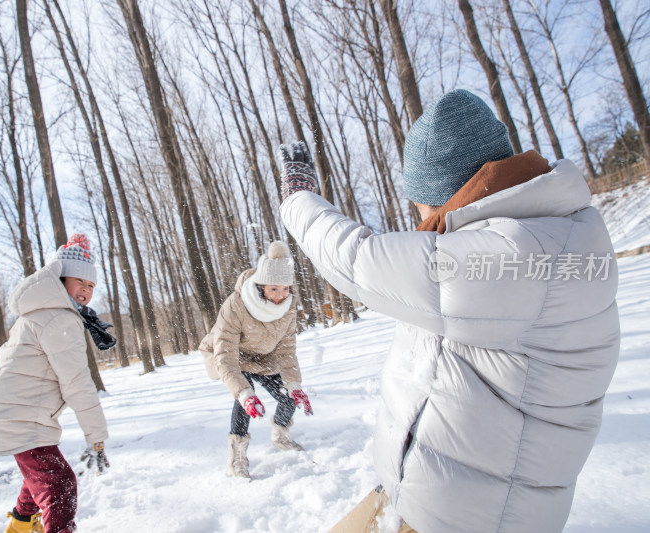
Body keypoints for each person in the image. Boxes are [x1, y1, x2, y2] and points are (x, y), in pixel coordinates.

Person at [278, 89, 620, 532]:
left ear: (448, 193)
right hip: (430, 495)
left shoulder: (516, 254)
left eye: (420, 204)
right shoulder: (546, 234)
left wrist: (297, 198)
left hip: (463, 518)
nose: (419, 218)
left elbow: (359, 260)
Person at [0, 233, 116, 533]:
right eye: (80, 282)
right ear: (60, 279)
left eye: (91, 286)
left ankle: (19, 527)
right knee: (58, 484)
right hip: (19, 416)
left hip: (14, 413)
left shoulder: (41, 312)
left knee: (38, 480)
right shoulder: (59, 318)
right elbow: (77, 383)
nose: (85, 291)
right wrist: (96, 436)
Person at [199, 240, 314, 479]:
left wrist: (295, 385)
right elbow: (225, 353)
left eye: (285, 289)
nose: (280, 296)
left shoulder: (288, 306)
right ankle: (237, 457)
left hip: (265, 357)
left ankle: (281, 434)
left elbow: (286, 350)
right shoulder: (236, 305)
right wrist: (243, 393)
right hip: (234, 357)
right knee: (244, 403)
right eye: (274, 289)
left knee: (288, 398)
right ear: (261, 286)